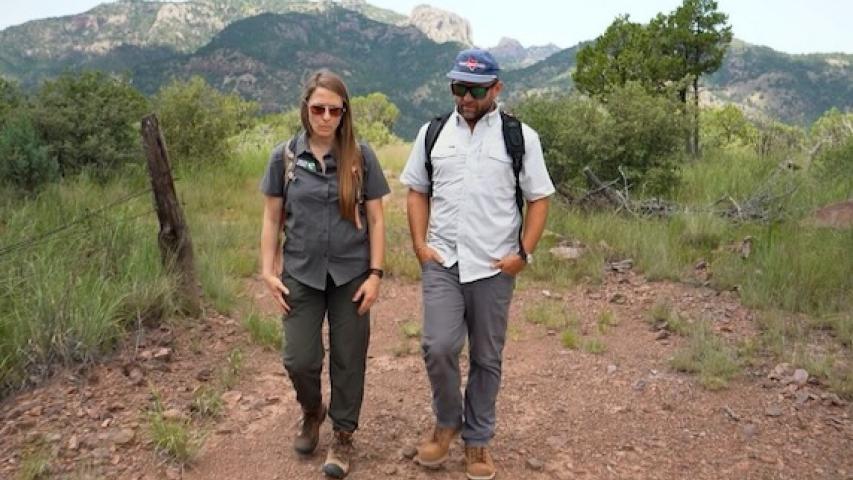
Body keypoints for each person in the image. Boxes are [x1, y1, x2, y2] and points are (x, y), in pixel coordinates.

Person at [400, 49, 555, 480]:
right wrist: (419, 245)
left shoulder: (520, 137)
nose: (466, 98)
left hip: (493, 265)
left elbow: (539, 197)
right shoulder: (432, 133)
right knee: (439, 346)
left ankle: (478, 440)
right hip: (443, 260)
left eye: (476, 89)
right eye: (459, 88)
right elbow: (416, 190)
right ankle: (447, 422)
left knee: (487, 357)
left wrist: (522, 254)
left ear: (496, 88)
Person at [259, 69, 390, 479]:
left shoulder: (361, 156)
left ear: (344, 111)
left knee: (349, 359)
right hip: (300, 271)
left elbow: (377, 219)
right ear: (306, 109)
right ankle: (312, 411)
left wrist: (376, 274)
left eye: (335, 109)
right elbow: (270, 217)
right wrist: (267, 270)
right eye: (319, 108)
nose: (327, 117)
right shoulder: (284, 157)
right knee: (300, 358)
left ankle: (343, 436)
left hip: (352, 273)